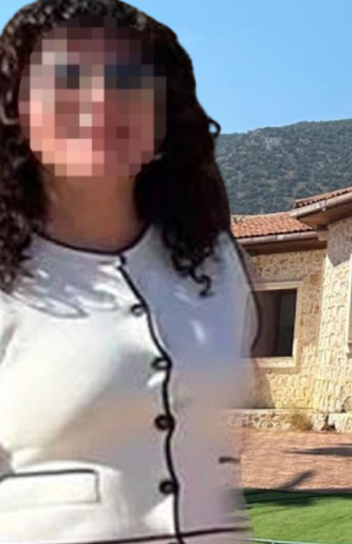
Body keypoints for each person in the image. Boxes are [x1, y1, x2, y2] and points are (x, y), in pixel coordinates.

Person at [0, 0, 258, 542]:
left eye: (127, 80)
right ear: (15, 109)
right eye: (68, 79)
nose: (100, 99)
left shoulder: (219, 265)